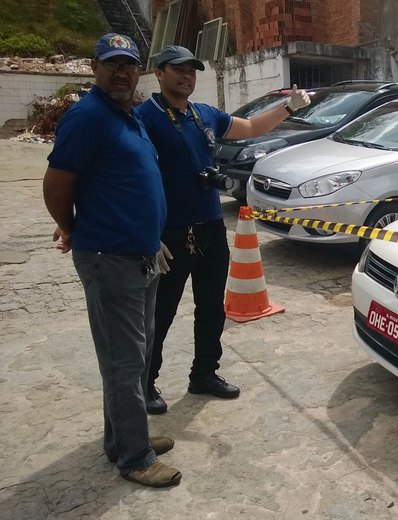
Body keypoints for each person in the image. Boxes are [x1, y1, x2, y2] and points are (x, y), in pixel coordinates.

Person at [137, 45, 310, 414]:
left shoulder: (204, 115)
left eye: (192, 71)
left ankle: (204, 374)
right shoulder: (145, 117)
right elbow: (133, 178)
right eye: (179, 69)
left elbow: (249, 127)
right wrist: (147, 235)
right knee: (161, 312)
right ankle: (145, 383)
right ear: (159, 73)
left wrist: (290, 106)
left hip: (211, 226)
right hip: (169, 233)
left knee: (212, 306)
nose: (187, 76)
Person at [42, 33, 180, 487]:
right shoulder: (87, 116)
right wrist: (73, 227)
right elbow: (57, 184)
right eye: (112, 64)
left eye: (129, 65)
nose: (121, 73)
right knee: (123, 361)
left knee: (137, 357)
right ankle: (135, 458)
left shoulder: (126, 115)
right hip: (109, 258)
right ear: (95, 68)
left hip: (143, 254)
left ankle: (121, 438)